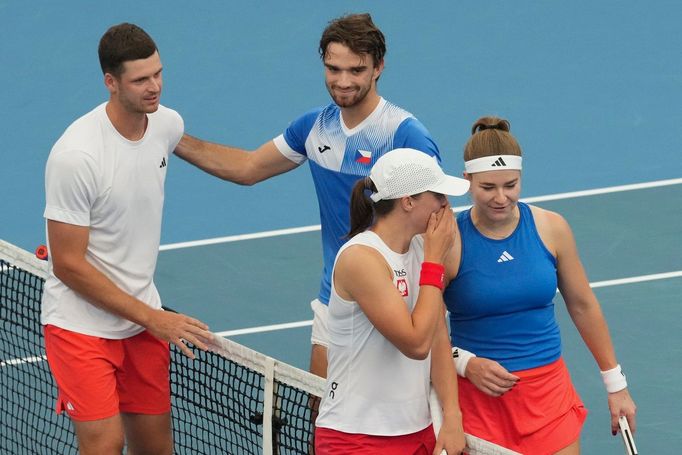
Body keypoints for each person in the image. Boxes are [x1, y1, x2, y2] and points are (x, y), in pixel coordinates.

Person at [174, 13, 441, 378]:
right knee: (321, 408)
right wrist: (172, 137)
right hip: (337, 293)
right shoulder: (314, 127)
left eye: (356, 70)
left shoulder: (404, 134)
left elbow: (439, 225)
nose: (343, 81)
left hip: (399, 295)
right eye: (333, 69)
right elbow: (248, 167)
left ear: (378, 67)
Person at [42, 23, 212, 455]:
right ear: (110, 82)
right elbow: (68, 264)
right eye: (140, 80)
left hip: (140, 324)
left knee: (157, 448)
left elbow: (222, 160)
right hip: (81, 326)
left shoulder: (164, 123)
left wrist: (288, 152)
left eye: (158, 74)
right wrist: (154, 318)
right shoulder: (76, 156)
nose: (154, 87)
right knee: (105, 444)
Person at [442, 116, 637, 454]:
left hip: (548, 397)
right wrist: (464, 362)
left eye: (510, 185)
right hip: (478, 402)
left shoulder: (552, 228)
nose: (501, 197)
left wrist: (615, 385)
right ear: (467, 182)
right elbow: (420, 327)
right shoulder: (448, 241)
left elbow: (583, 305)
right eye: (488, 187)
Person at [314, 148, 469, 455]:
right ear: (408, 201)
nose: (446, 205)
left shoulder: (420, 248)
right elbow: (416, 344)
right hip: (356, 439)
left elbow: (438, 338)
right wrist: (434, 260)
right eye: (438, 196)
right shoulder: (361, 259)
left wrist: (452, 417)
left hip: (416, 433)